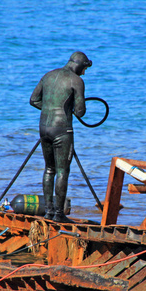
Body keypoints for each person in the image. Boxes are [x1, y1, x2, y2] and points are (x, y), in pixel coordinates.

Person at [30, 51, 92, 223]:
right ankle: (59, 214)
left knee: (49, 169)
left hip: (44, 128)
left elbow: (34, 100)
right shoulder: (76, 81)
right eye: (84, 68)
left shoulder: (48, 75)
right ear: (79, 64)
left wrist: (51, 107)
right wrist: (70, 108)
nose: (84, 73)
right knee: (62, 171)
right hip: (62, 130)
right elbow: (80, 111)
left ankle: (48, 212)